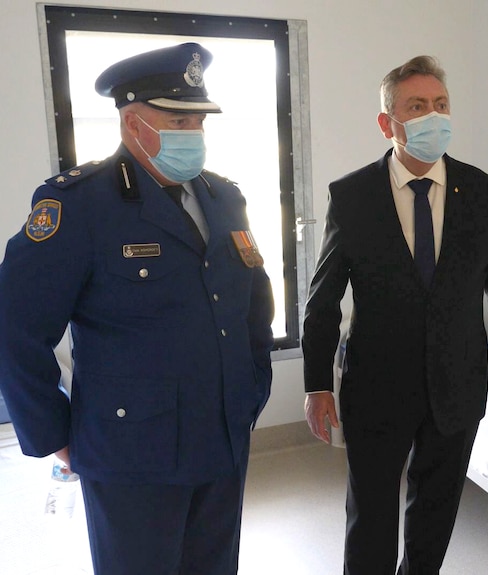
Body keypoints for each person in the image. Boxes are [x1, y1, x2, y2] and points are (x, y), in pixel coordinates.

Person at [0, 43, 274, 575]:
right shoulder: (80, 206)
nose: (192, 133)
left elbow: (252, 305)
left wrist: (253, 385)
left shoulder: (224, 197)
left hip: (221, 435)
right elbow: (14, 327)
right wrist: (54, 433)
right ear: (133, 124)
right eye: (178, 119)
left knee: (214, 566)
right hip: (131, 448)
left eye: (198, 121)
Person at [302, 55, 488, 574]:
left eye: (440, 104)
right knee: (371, 517)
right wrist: (317, 385)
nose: (433, 115)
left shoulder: (483, 191)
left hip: (457, 382)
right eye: (417, 106)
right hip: (376, 386)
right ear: (388, 122)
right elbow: (323, 300)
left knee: (435, 513)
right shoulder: (353, 195)